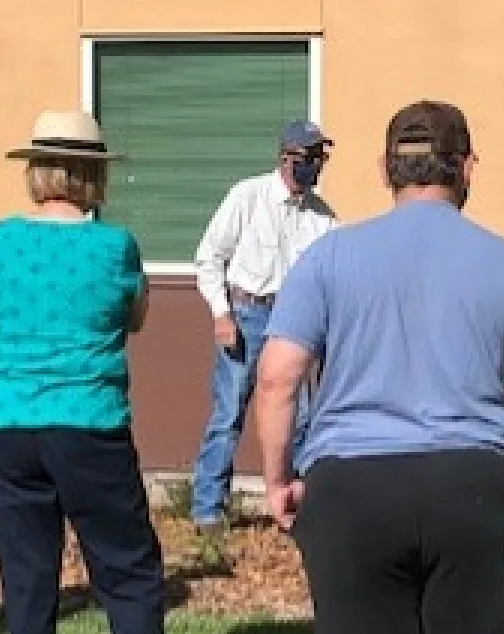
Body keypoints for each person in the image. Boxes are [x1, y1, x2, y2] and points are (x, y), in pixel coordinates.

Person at [253, 100, 504, 633]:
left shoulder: (328, 258)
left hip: (352, 490)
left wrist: (277, 480)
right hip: (474, 490)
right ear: (467, 168)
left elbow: (276, 379)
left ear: (385, 170)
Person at [0, 110, 166, 634]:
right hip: (88, 418)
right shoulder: (114, 245)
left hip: (9, 420)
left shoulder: (1, 239)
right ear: (94, 174)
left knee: (26, 573)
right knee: (127, 568)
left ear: (35, 170)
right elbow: (135, 318)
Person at [188, 120, 340, 539]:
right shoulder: (247, 197)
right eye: (308, 157)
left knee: (302, 418)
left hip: (295, 323)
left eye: (321, 158)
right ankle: (207, 509)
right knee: (229, 412)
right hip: (247, 314)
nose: (315, 165)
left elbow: (333, 277)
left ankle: (298, 505)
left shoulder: (323, 218)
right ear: (286, 158)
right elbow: (209, 257)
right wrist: (221, 314)